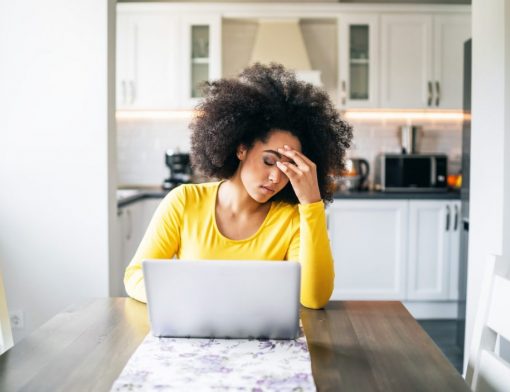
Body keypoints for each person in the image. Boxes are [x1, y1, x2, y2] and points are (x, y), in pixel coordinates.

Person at [124, 63, 352, 309]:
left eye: (288, 167)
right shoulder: (184, 201)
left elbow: (314, 299)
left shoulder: (292, 218)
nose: (276, 177)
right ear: (241, 149)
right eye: (269, 161)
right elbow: (135, 276)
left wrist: (312, 205)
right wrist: (191, 298)